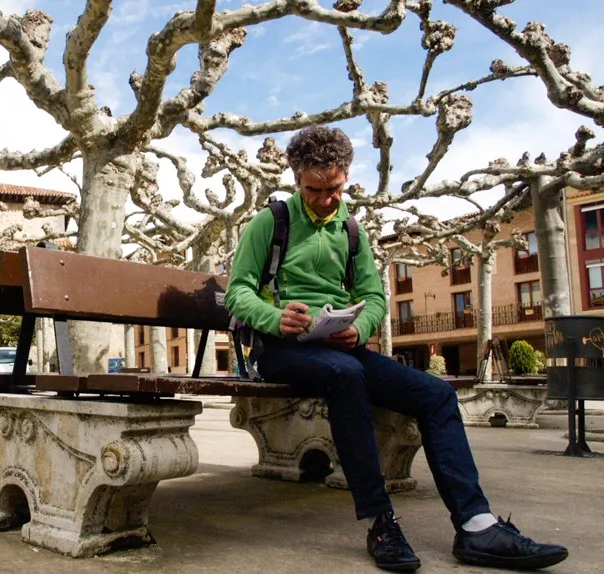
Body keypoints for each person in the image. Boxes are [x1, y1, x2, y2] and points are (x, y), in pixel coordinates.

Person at [224, 126, 568, 572]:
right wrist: (275, 317)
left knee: (436, 394)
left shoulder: (352, 230)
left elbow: (374, 296)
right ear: (296, 180)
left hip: (340, 349)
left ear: (346, 176)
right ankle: (380, 521)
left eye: (335, 188)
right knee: (346, 376)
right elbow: (238, 292)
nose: (326, 199)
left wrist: (359, 327)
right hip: (280, 349)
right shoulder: (270, 222)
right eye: (314, 190)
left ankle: (477, 526)